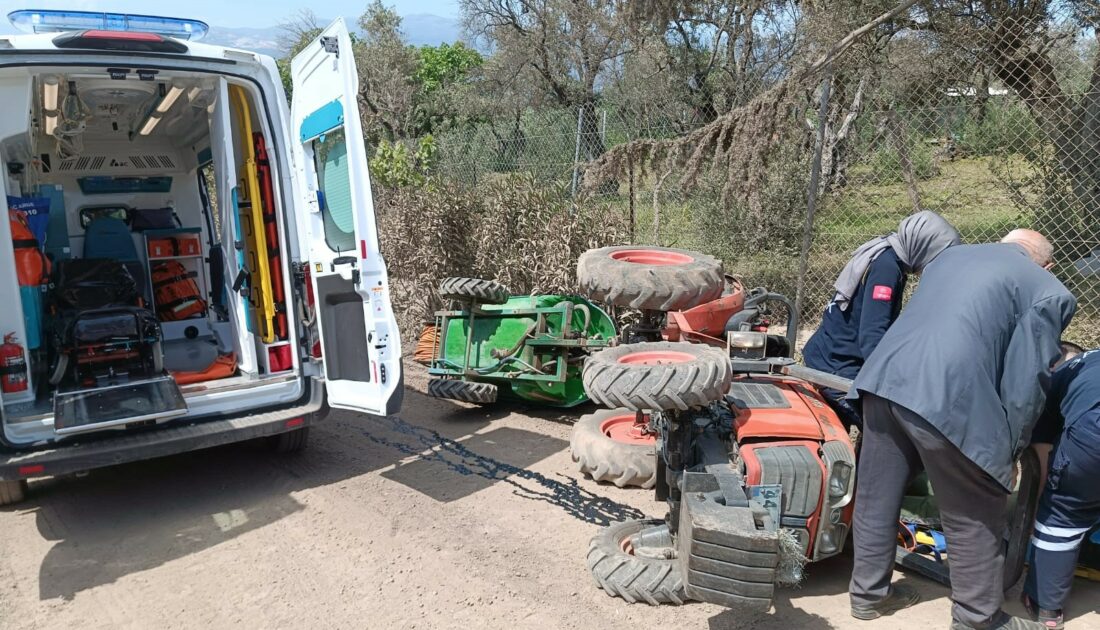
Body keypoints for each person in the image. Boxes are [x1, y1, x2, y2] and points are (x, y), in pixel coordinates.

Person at [846, 229, 1076, 630]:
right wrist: (1009, 449)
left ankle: (868, 596)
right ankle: (978, 618)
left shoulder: (950, 258)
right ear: (1047, 263)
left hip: (882, 380)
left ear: (1004, 244)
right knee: (976, 507)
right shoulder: (1049, 289)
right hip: (947, 393)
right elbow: (1026, 381)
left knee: (875, 496)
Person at [802, 210, 960, 430]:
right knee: (890, 431)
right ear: (925, 247)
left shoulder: (888, 255)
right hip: (836, 366)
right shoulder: (887, 268)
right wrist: (896, 383)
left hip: (831, 355)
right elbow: (872, 335)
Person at [1021, 341, 1098, 630]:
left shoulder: (1055, 380)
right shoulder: (1093, 362)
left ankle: (1046, 606)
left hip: (1096, 425)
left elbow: (1041, 456)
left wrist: (1041, 503)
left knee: (1064, 511)